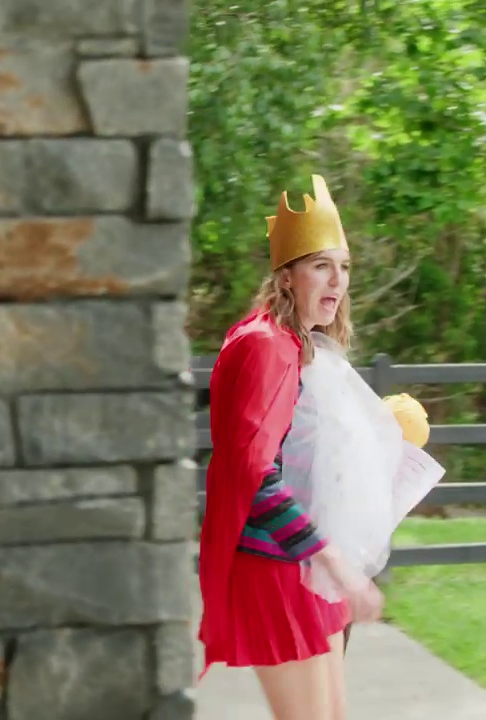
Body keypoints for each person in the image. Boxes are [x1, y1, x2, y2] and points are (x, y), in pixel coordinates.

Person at [198, 174, 385, 720]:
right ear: (286, 276)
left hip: (300, 563)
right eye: (321, 265)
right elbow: (255, 475)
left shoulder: (297, 344)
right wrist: (337, 564)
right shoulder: (265, 346)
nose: (338, 280)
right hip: (274, 566)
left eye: (344, 266)